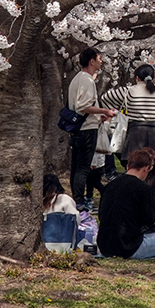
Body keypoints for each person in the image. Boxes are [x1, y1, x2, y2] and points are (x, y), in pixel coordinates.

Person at [102, 63, 155, 209]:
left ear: (137, 78)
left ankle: (132, 203)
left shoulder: (129, 91)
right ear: (154, 77)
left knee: (133, 171)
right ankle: (153, 206)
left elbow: (105, 98)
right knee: (153, 173)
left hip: (136, 134)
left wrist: (122, 107)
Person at [97, 147, 155, 259]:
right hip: (129, 247)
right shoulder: (143, 189)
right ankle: (152, 251)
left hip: (105, 246)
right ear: (146, 168)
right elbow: (148, 220)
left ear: (128, 166)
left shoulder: (109, 186)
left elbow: (101, 215)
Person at [67, 47, 117, 211]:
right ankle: (80, 202)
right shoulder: (87, 80)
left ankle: (77, 199)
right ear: (92, 61)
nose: (101, 61)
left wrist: (98, 116)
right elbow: (83, 106)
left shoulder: (77, 79)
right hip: (86, 130)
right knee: (83, 168)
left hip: (78, 128)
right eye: (99, 58)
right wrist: (104, 111)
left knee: (76, 167)